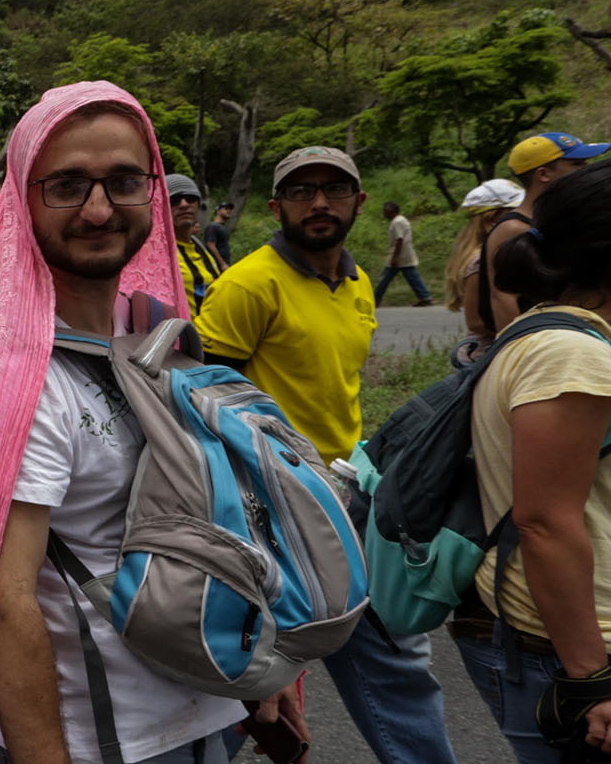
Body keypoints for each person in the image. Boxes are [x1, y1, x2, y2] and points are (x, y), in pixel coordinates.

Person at [0, 83, 303, 764]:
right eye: (67, 186)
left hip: (210, 700)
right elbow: (6, 601)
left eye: (122, 181)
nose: (97, 208)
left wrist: (270, 663)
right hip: (97, 739)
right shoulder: (11, 376)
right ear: (22, 203)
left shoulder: (154, 331)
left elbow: (219, 511)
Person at [196, 145, 457, 764]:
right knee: (244, 685)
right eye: (302, 191)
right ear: (276, 205)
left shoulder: (360, 280)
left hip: (350, 496)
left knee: (394, 667)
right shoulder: (249, 285)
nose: (319, 203)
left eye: (334, 190)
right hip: (269, 505)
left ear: (358, 202)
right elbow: (202, 403)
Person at [454, 158, 611, 764]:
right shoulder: (569, 354)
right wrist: (595, 681)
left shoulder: (561, 333)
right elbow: (544, 522)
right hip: (583, 657)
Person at [483, 131, 611, 335]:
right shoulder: (514, 228)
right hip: (538, 342)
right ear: (543, 174)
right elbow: (503, 296)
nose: (587, 171)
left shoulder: (565, 220)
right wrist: (518, 346)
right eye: (577, 164)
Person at [446, 179, 525, 348]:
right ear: (494, 219)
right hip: (487, 350)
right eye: (517, 212)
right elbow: (475, 321)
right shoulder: (479, 262)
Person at [166, 173, 225, 314]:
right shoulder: (154, 254)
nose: (184, 204)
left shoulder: (200, 249)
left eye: (190, 199)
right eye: (174, 201)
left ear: (198, 205)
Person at [374, 201, 435, 306]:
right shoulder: (401, 220)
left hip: (400, 255)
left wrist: (395, 257)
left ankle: (375, 300)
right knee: (412, 276)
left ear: (391, 211)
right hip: (405, 255)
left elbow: (399, 240)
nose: (384, 213)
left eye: (385, 211)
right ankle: (425, 296)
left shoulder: (397, 222)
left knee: (385, 278)